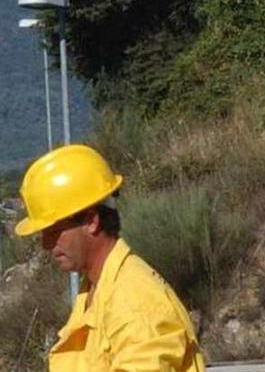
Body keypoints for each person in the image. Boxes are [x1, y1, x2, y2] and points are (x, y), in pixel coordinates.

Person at [15, 144, 206, 372]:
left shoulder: (134, 302)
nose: (46, 244)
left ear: (91, 221)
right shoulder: (98, 290)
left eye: (54, 231)